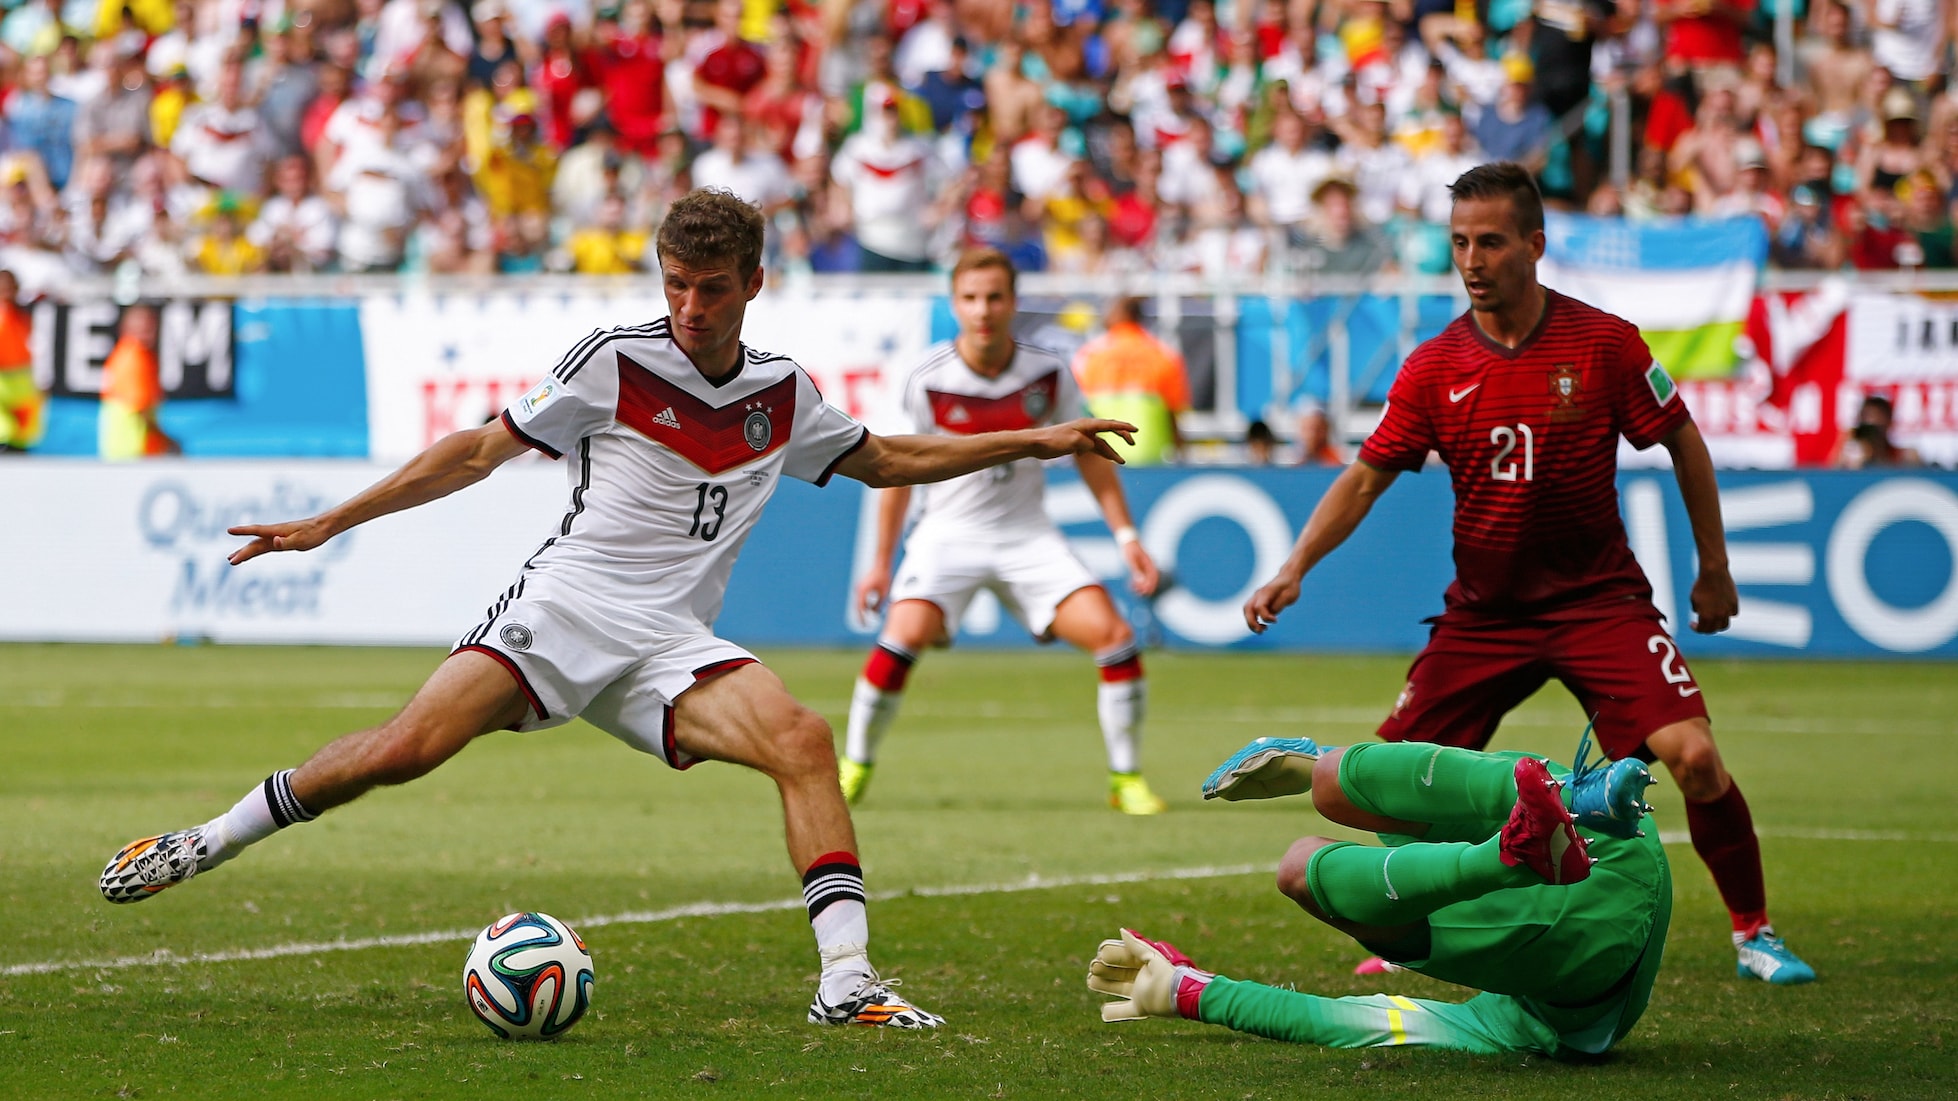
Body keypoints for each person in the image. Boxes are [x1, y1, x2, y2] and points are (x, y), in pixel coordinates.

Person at [97, 189, 1138, 1030]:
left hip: (670, 643)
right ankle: (207, 838)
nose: (689, 306)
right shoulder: (615, 360)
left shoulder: (784, 394)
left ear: (753, 286)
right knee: (405, 751)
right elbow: (473, 451)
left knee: (802, 739)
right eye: (676, 285)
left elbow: (886, 459)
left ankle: (846, 983)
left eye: (711, 288)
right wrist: (332, 521)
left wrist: (1033, 440)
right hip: (566, 606)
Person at [1241, 162, 1815, 986]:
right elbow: (1366, 474)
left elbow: (1683, 439)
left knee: (1693, 755)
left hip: (1598, 604)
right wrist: (1294, 568)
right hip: (1484, 615)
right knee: (1384, 786)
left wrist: (1713, 568)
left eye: (1491, 242)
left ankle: (1754, 932)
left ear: (1535, 246)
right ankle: (1426, 913)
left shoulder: (1605, 343)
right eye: (1460, 243)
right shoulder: (1434, 365)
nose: (1472, 260)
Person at [1089, 737, 1669, 1057]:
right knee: (1323, 811)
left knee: (1307, 856)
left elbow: (1355, 1020)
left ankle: (1511, 851)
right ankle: (1573, 801)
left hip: (1586, 954)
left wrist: (1186, 993)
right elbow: (1356, 1021)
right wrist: (1190, 994)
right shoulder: (1535, 1027)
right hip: (1618, 853)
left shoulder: (1519, 1028)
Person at [840, 248, 1168, 816]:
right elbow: (892, 472)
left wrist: (1127, 538)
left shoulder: (1047, 372)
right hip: (948, 533)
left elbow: (1091, 452)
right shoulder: (925, 377)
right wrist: (879, 562)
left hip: (1028, 536)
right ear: (954, 304)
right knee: (901, 637)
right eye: (970, 298)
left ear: (1014, 302)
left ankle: (1127, 780)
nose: (983, 310)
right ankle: (855, 766)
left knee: (1114, 637)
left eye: (995, 297)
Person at [1071, 296, 1191, 466]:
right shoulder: (1163, 354)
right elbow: (1174, 413)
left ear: (1121, 314)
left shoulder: (1090, 355)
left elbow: (1075, 410)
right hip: (1150, 459)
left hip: (1101, 459)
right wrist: (1182, 456)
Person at [99, 304, 179, 460]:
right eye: (141, 327)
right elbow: (140, 407)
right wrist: (165, 441)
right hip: (133, 449)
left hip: (119, 448)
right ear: (125, 328)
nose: (146, 332)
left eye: (150, 326)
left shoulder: (123, 353)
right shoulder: (135, 358)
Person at [0, 270, 41, 453]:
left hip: (22, 384)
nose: (6, 291)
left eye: (10, 287)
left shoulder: (22, 315)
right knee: (4, 433)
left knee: (21, 438)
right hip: (3, 382)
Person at [1834, 394, 1923, 468]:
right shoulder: (1852, 461)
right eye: (1864, 418)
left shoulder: (1902, 456)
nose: (1870, 424)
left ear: (1889, 421)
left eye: (1876, 418)